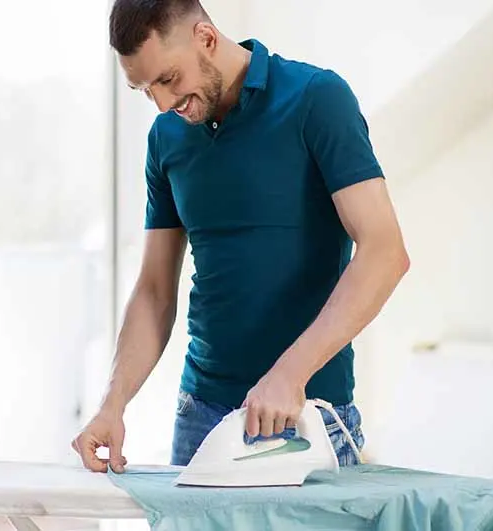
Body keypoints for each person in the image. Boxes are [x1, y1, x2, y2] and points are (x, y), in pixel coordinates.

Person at [72, 0, 409, 473]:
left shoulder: (317, 99)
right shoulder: (166, 138)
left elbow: (385, 252)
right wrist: (113, 404)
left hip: (307, 416)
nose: (164, 105)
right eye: (144, 90)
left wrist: (290, 375)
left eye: (168, 79)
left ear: (206, 38)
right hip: (201, 418)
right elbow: (153, 292)